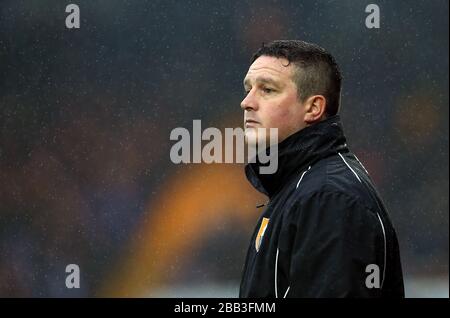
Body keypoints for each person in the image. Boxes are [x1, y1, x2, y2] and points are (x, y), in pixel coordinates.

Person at [239, 40, 404, 298]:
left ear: (314, 108)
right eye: (248, 89)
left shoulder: (328, 198)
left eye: (267, 90)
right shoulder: (302, 188)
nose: (247, 102)